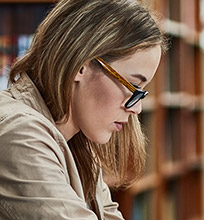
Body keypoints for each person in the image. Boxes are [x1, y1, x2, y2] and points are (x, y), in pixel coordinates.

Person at [0, 0, 165, 219]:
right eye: (132, 86)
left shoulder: (78, 142)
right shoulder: (20, 133)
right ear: (81, 65)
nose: (137, 108)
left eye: (141, 92)